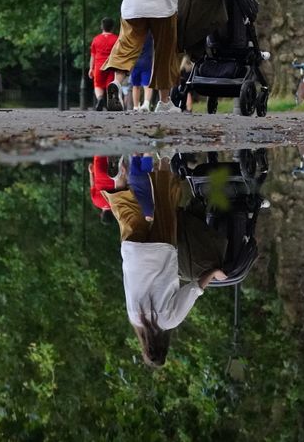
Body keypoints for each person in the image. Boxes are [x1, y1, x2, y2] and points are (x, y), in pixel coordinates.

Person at [100, 155, 223, 368]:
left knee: (165, 204)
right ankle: (118, 178)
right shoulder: (134, 318)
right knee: (128, 213)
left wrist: (214, 273)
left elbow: (195, 288)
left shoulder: (170, 320)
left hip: (161, 251)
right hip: (132, 253)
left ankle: (164, 159)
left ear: (165, 345)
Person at [89, 18, 119, 111]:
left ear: (102, 26)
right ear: (112, 27)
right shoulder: (116, 39)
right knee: (109, 85)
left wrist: (91, 68)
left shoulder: (96, 39)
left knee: (98, 85)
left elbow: (93, 56)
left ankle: (100, 99)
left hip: (99, 65)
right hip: (111, 65)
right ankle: (110, 102)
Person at [130, 32, 154, 111]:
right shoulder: (150, 34)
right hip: (147, 61)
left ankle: (136, 106)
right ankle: (146, 104)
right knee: (147, 85)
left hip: (135, 62)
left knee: (135, 85)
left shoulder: (134, 33)